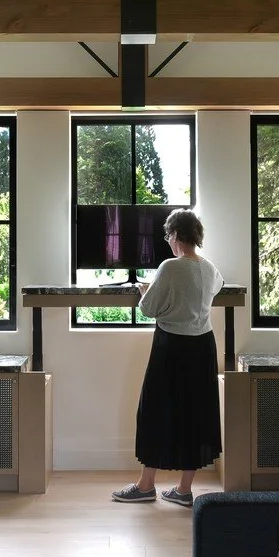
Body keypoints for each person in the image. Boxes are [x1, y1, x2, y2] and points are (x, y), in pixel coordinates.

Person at [112, 208, 225, 508]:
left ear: (175, 235)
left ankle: (146, 485)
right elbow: (216, 288)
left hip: (172, 347)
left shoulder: (170, 267)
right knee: (195, 414)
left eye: (168, 236)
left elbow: (148, 308)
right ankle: (184, 490)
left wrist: (145, 290)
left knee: (155, 410)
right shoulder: (210, 268)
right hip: (203, 346)